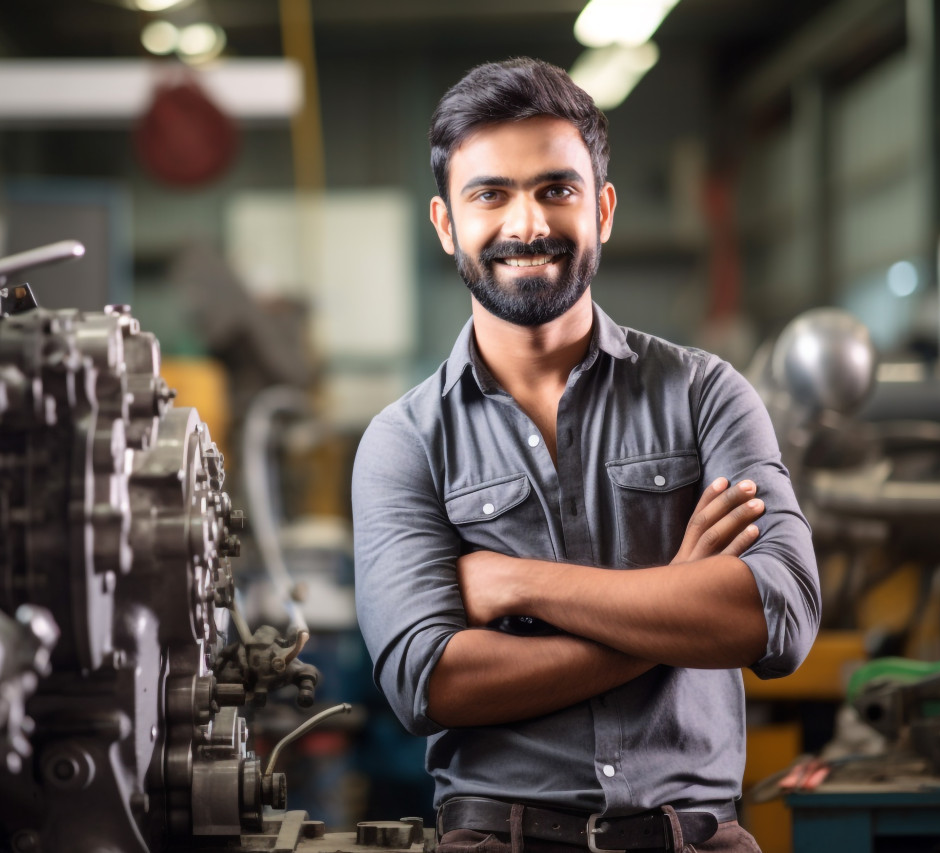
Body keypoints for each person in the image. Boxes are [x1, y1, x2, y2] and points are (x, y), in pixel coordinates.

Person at [351, 58, 820, 853]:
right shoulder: (404, 442)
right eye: (490, 194)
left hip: (695, 837)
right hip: (499, 838)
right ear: (446, 223)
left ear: (601, 208)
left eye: (555, 189)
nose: (527, 223)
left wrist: (519, 581)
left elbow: (777, 616)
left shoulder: (705, 395)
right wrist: (675, 602)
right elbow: (431, 681)